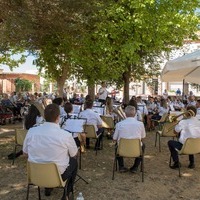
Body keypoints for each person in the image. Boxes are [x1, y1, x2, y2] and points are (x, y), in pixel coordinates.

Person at [23, 104, 78, 200]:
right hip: (58, 176)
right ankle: (67, 193)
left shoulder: (31, 131)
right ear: (58, 118)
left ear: (44, 116)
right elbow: (74, 154)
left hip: (35, 175)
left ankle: (48, 187)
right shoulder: (65, 135)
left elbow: (25, 153)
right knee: (74, 162)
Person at [113, 105, 146, 173]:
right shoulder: (140, 124)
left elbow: (114, 138)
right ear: (135, 114)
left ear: (125, 113)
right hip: (136, 149)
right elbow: (143, 137)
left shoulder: (119, 124)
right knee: (143, 146)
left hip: (122, 149)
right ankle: (135, 167)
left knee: (117, 144)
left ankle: (121, 166)